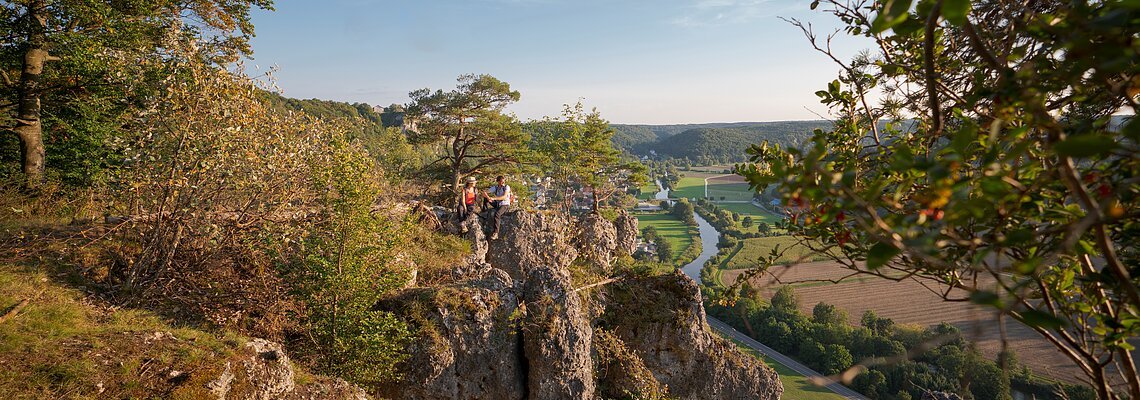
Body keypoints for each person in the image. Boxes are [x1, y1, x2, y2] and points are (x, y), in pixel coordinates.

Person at [484, 175, 512, 240]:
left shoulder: (506, 187)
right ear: (498, 182)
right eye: (501, 182)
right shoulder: (496, 187)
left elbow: (504, 197)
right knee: (486, 198)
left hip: (505, 205)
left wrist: (494, 198)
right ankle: (484, 210)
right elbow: (485, 192)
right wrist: (487, 197)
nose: (503, 183)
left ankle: (496, 232)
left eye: (503, 181)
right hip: (498, 204)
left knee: (497, 214)